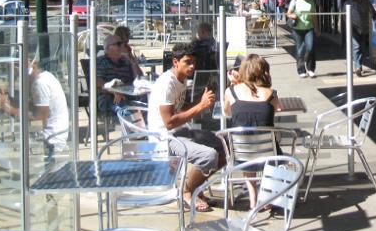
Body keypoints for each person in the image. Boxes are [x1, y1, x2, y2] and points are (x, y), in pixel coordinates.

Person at [148, 43, 226, 212]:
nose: (192, 66)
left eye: (194, 62)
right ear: (175, 62)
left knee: (225, 148)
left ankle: (196, 188)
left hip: (180, 131)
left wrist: (201, 99)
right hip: (164, 137)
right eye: (187, 62)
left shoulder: (181, 79)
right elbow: (169, 122)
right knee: (209, 155)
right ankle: (186, 192)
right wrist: (200, 107)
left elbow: (181, 108)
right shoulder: (166, 84)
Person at [223, 53, 281, 209]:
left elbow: (227, 112)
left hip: (240, 152)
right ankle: (268, 195)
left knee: (247, 143)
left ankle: (253, 199)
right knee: (270, 141)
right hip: (268, 153)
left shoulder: (231, 92)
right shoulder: (270, 93)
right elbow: (279, 108)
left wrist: (235, 84)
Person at [0, 57, 69, 157]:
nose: (17, 70)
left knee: (2, 149)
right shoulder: (46, 76)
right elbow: (35, 108)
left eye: (19, 66)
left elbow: (38, 123)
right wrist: (11, 101)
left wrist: (9, 110)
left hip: (51, 139)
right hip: (53, 134)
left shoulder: (40, 84)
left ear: (34, 64)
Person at [96, 34, 143, 115]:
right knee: (127, 113)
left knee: (152, 106)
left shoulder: (126, 61)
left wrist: (133, 61)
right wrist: (114, 90)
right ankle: (133, 126)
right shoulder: (101, 61)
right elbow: (97, 81)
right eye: (118, 44)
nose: (122, 46)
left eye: (123, 44)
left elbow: (139, 79)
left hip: (129, 95)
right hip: (110, 96)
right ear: (108, 48)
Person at [343, 0, 376, 77]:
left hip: (364, 29)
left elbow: (373, 12)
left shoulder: (366, 2)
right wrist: (347, 24)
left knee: (362, 49)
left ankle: (359, 65)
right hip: (353, 28)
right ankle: (358, 67)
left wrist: (374, 16)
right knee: (356, 47)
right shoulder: (347, 3)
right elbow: (344, 16)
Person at [286, 0, 320, 77]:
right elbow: (288, 13)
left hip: (309, 28)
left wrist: (317, 28)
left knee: (310, 47)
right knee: (300, 50)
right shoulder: (295, 1)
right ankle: (301, 70)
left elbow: (314, 16)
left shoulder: (310, 1)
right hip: (297, 29)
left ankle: (310, 68)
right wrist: (292, 15)